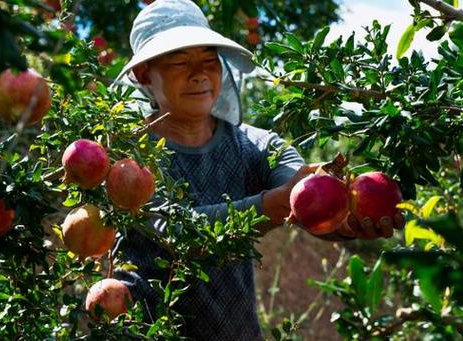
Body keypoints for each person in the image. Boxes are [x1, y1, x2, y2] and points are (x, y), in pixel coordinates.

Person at [111, 0, 404, 339]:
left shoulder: (257, 145)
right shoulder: (129, 160)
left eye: (209, 59)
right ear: (145, 73)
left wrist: (346, 217)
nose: (200, 73)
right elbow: (178, 233)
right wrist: (271, 205)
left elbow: (303, 193)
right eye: (179, 61)